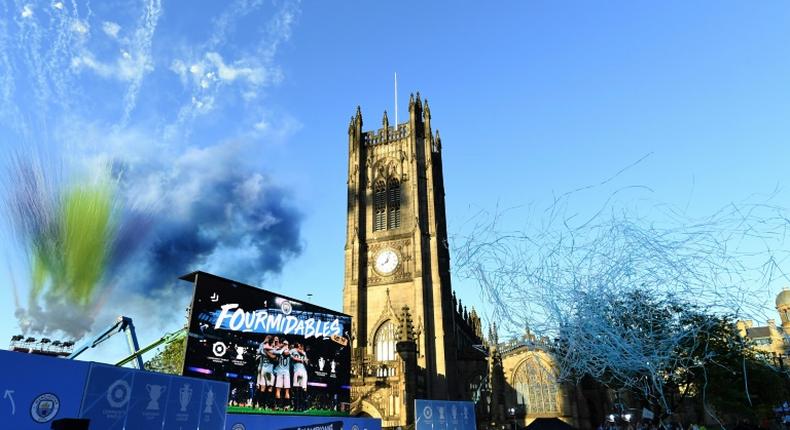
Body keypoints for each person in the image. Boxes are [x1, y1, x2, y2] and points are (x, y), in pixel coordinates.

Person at [255, 335, 276, 409]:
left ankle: (261, 405)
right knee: (269, 388)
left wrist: (264, 348)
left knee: (262, 388)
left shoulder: (263, 348)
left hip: (263, 369)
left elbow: (258, 352)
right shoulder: (273, 350)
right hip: (270, 370)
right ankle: (266, 405)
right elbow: (274, 357)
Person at [273, 338, 292, 410]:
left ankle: (278, 406)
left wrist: (281, 348)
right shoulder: (290, 352)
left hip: (280, 372)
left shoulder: (279, 351)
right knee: (286, 390)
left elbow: (275, 352)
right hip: (286, 373)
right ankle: (286, 406)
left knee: (278, 390)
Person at [290, 342, 309, 411]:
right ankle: (297, 407)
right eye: (300, 346)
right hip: (298, 372)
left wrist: (304, 357)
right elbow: (290, 355)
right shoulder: (293, 351)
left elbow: (306, 363)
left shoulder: (303, 353)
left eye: (301, 346)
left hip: (302, 372)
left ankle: (303, 407)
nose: (301, 348)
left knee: (301, 389)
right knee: (298, 389)